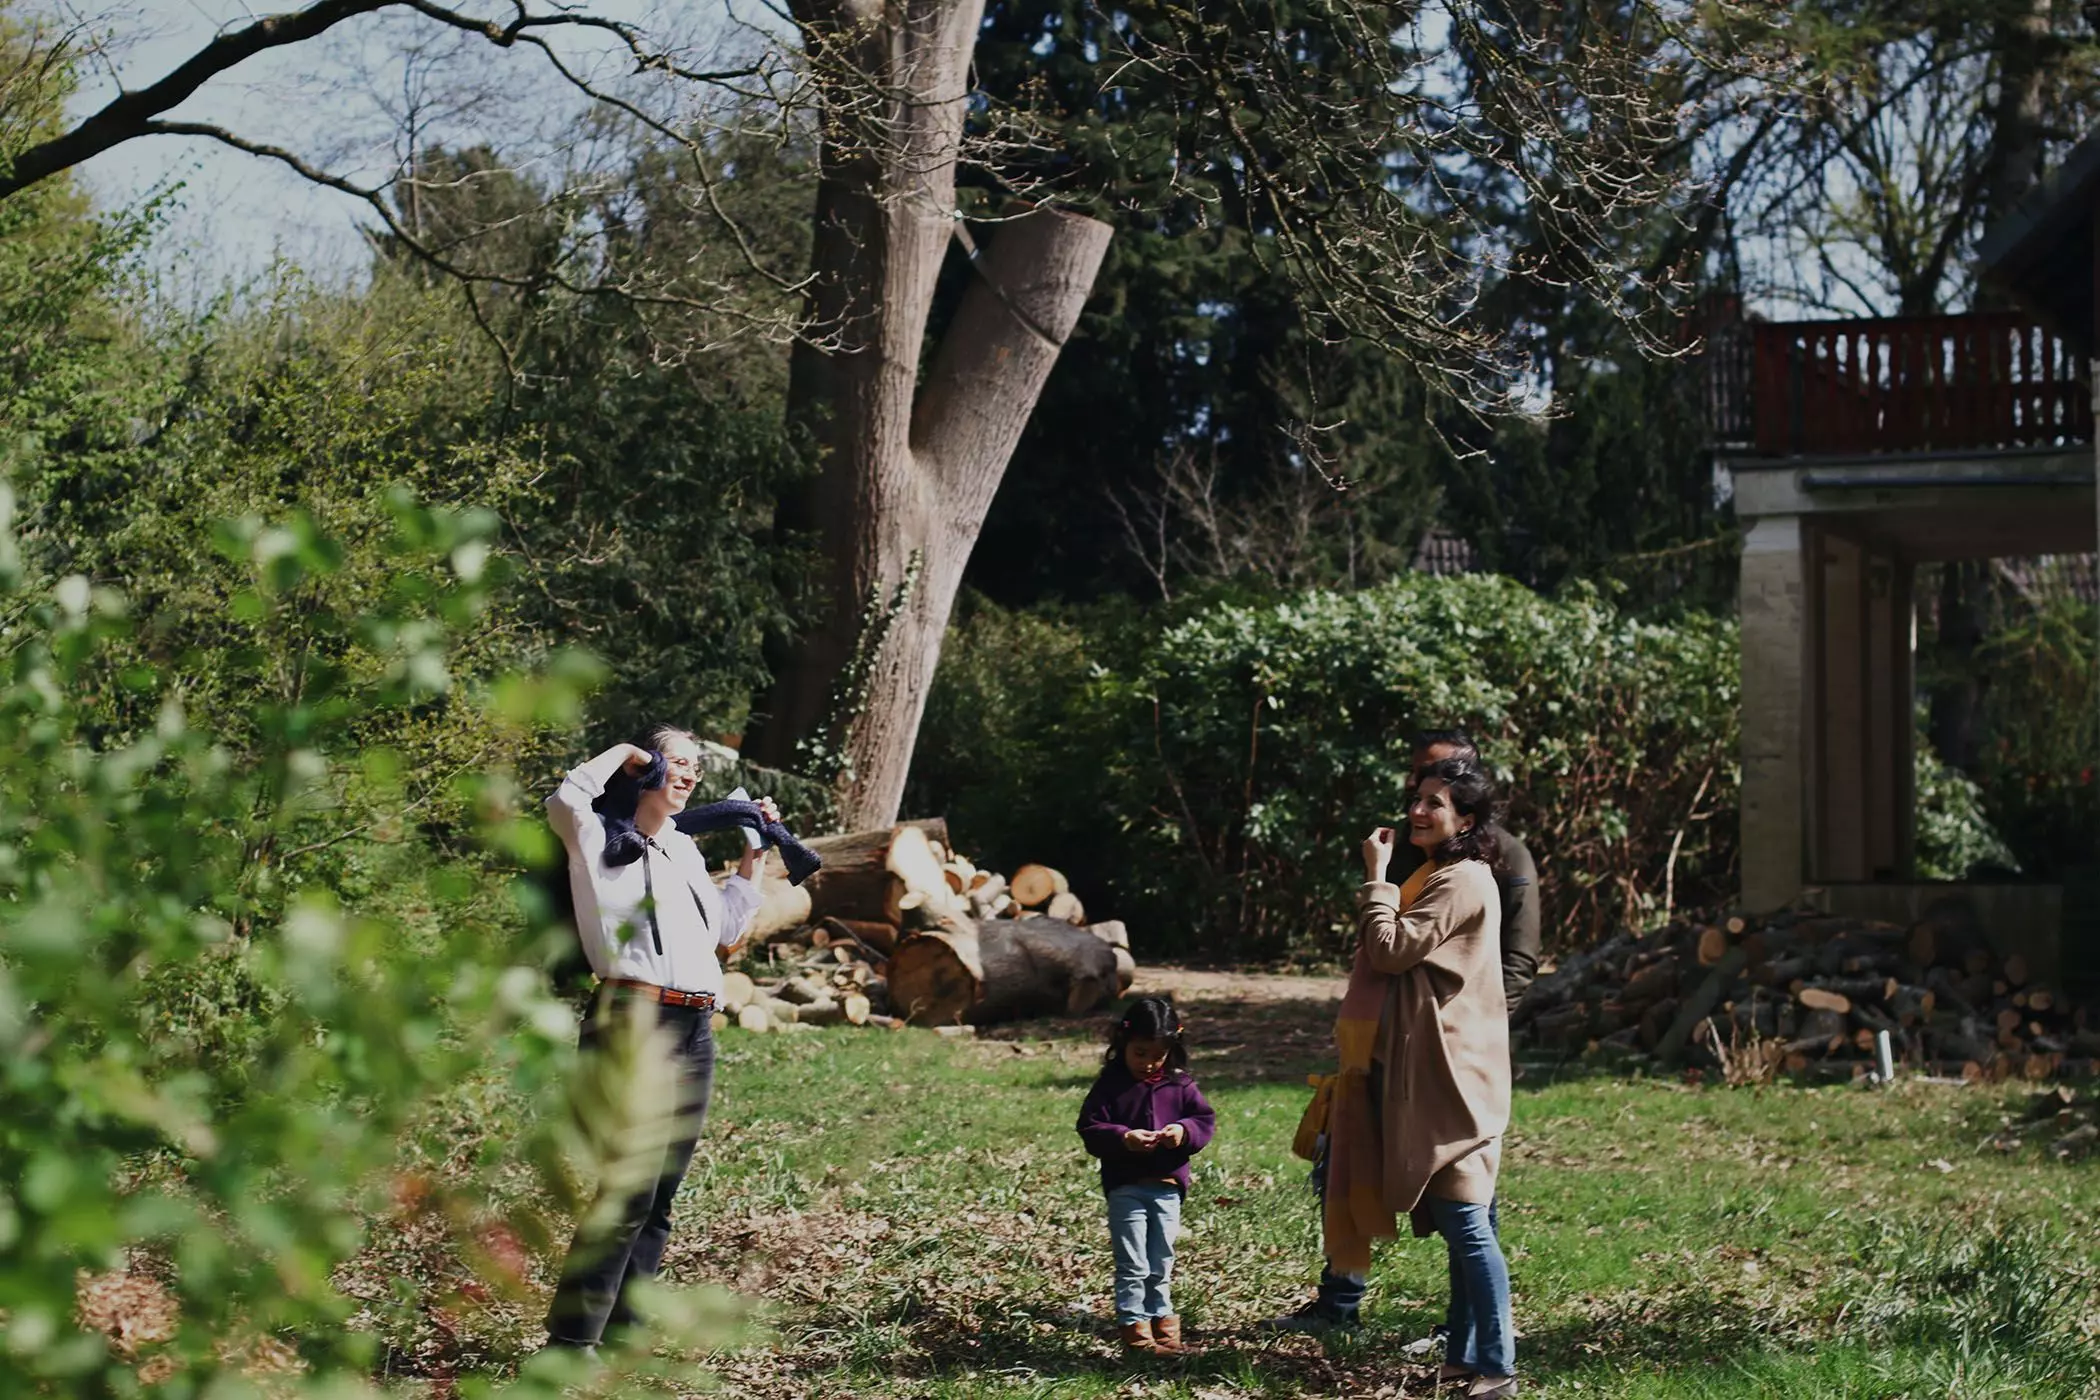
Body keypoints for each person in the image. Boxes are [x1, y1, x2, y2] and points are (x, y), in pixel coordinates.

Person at [1266, 759, 1517, 1398]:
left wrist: (1376, 879)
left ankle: (1496, 1365)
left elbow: (1391, 950)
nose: (1418, 812)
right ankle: (1466, 1360)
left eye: (1435, 803)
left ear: (1465, 818)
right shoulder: (1444, 875)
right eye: (1417, 799)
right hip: (1436, 1068)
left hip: (1452, 1077)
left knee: (1467, 1222)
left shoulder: (1461, 880)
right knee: (1463, 1221)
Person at [542, 726, 773, 1352]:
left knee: (662, 1188)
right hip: (632, 1021)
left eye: (697, 766)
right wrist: (624, 753)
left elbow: (724, 930)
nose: (690, 774)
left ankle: (621, 1331)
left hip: (695, 1025)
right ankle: (571, 1341)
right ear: (644, 768)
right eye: (677, 761)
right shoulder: (592, 832)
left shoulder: (682, 847)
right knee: (631, 1182)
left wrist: (754, 851)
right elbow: (562, 800)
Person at [1076, 996, 1217, 1357]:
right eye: (1140, 1053)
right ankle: (1134, 1331)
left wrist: (1182, 1132)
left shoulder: (1181, 1085)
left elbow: (1204, 1121)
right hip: (1126, 1188)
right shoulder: (1111, 1084)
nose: (1149, 1062)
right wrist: (1123, 1138)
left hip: (1167, 1188)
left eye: (1158, 1054)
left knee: (1161, 1259)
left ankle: (1163, 1326)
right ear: (1123, 1043)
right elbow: (1090, 1126)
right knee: (1133, 1262)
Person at [1395, 730, 1540, 1016]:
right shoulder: (1402, 847)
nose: (1412, 782)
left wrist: (1482, 1025)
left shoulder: (1507, 857)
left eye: (1427, 772)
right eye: (1412, 771)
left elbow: (1518, 960)